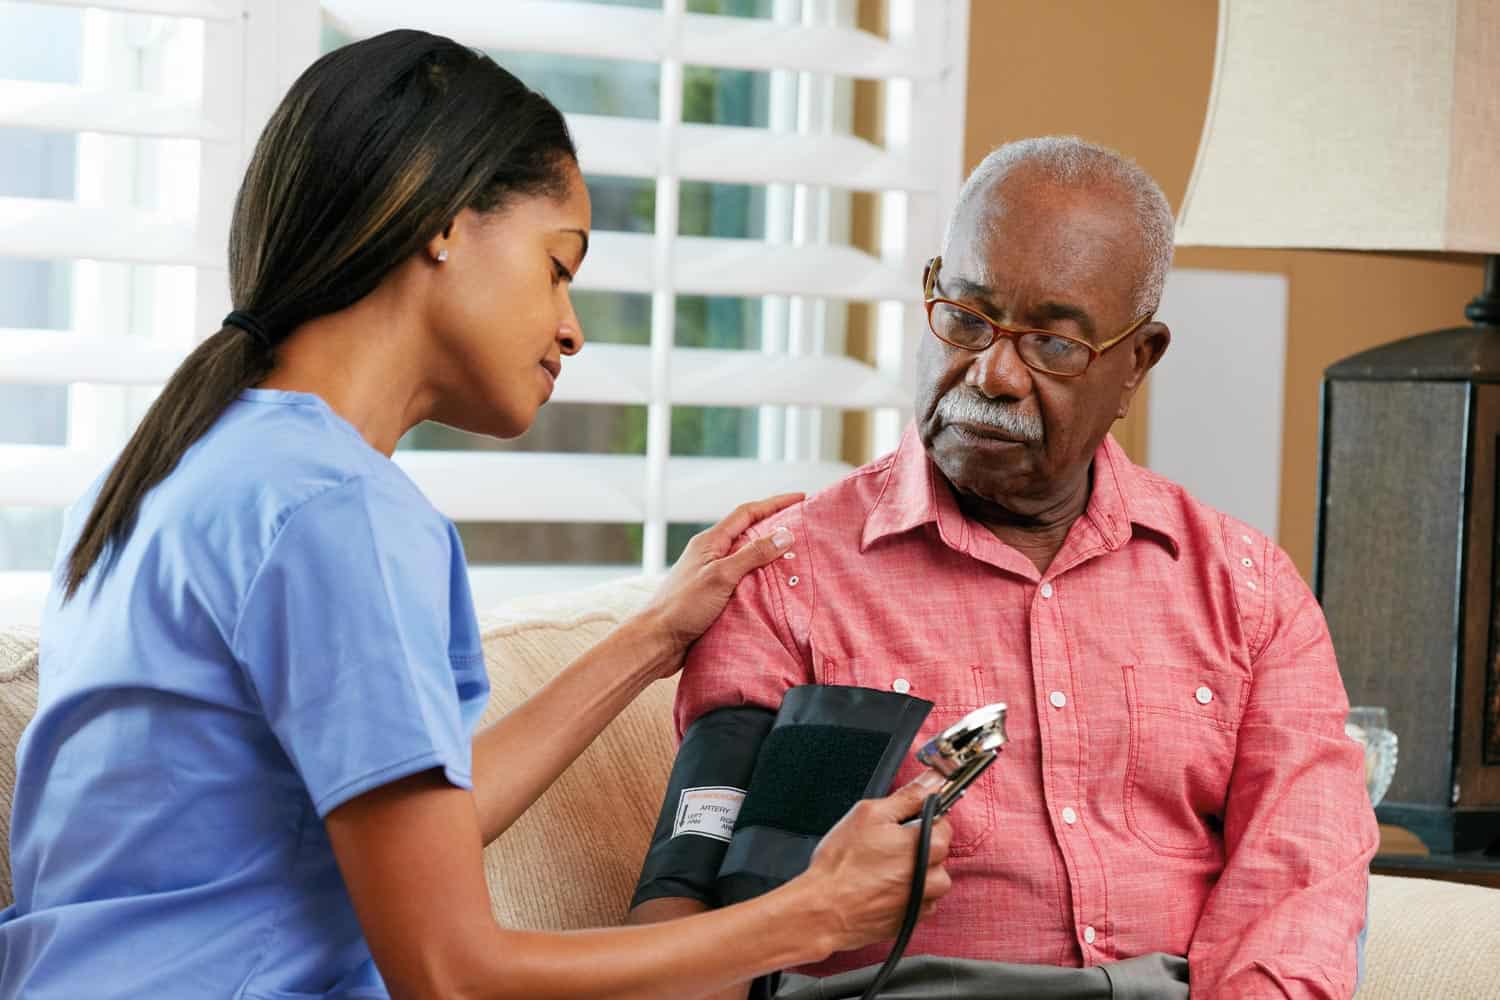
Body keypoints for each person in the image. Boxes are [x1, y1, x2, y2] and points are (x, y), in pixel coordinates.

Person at [0, 30, 955, 1000]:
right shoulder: (338, 515)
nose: (572, 328)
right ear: (447, 221)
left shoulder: (174, 470)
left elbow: (415, 834)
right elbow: (451, 972)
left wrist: (654, 635)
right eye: (559, 265)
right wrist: (808, 913)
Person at [630, 136, 1378, 999]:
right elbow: (686, 906)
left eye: (1054, 345)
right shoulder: (784, 576)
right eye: (967, 319)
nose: (992, 374)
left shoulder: (1246, 590)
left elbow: (1301, 877)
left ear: (1137, 361)